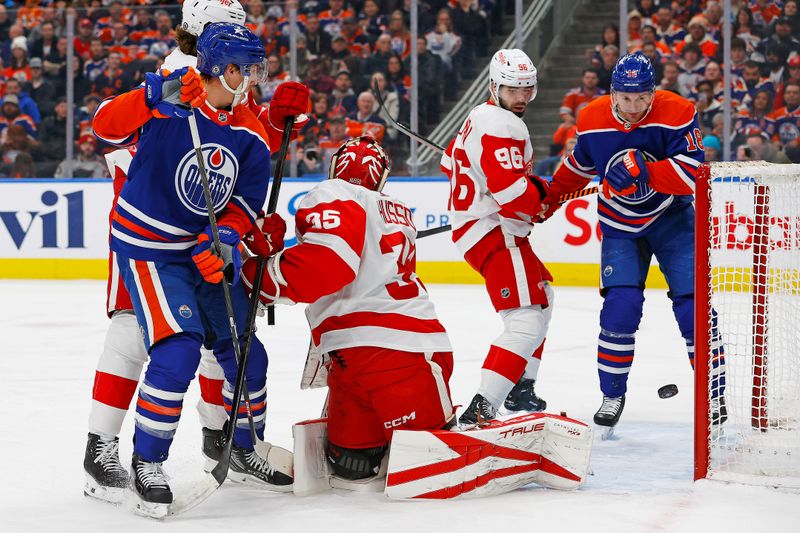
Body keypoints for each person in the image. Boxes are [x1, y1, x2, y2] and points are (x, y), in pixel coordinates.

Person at [88, 18, 308, 514]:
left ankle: (244, 446)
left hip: (200, 252)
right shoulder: (172, 95)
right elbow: (104, 124)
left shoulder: (249, 131)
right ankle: (148, 461)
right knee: (177, 352)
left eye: (254, 69)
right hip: (148, 247)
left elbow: (246, 198)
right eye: (239, 69)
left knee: (247, 354)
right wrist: (153, 97)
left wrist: (227, 234)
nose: (249, 78)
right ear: (212, 66)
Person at [242, 136, 454, 482]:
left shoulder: (333, 193)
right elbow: (335, 259)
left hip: (351, 357)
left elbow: (327, 263)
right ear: (381, 176)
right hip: (404, 352)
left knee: (355, 467)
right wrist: (277, 257)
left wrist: (256, 275)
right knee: (427, 461)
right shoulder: (396, 211)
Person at [546, 53, 726, 434]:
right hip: (619, 224)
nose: (633, 107)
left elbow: (694, 172)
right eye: (626, 98)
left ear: (653, 91)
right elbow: (580, 165)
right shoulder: (591, 117)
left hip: (673, 220)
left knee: (693, 309)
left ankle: (713, 394)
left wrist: (646, 171)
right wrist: (547, 198)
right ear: (613, 93)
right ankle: (612, 394)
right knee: (620, 308)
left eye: (641, 97)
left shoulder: (677, 111)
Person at [440, 49, 553, 426]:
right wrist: (539, 202)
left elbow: (449, 164)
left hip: (482, 229)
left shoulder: (478, 116)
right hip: (495, 231)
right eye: (512, 90)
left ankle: (520, 384)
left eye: (527, 90)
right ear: (494, 86)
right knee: (525, 322)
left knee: (544, 297)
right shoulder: (502, 124)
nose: (521, 98)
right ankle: (483, 406)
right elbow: (510, 193)